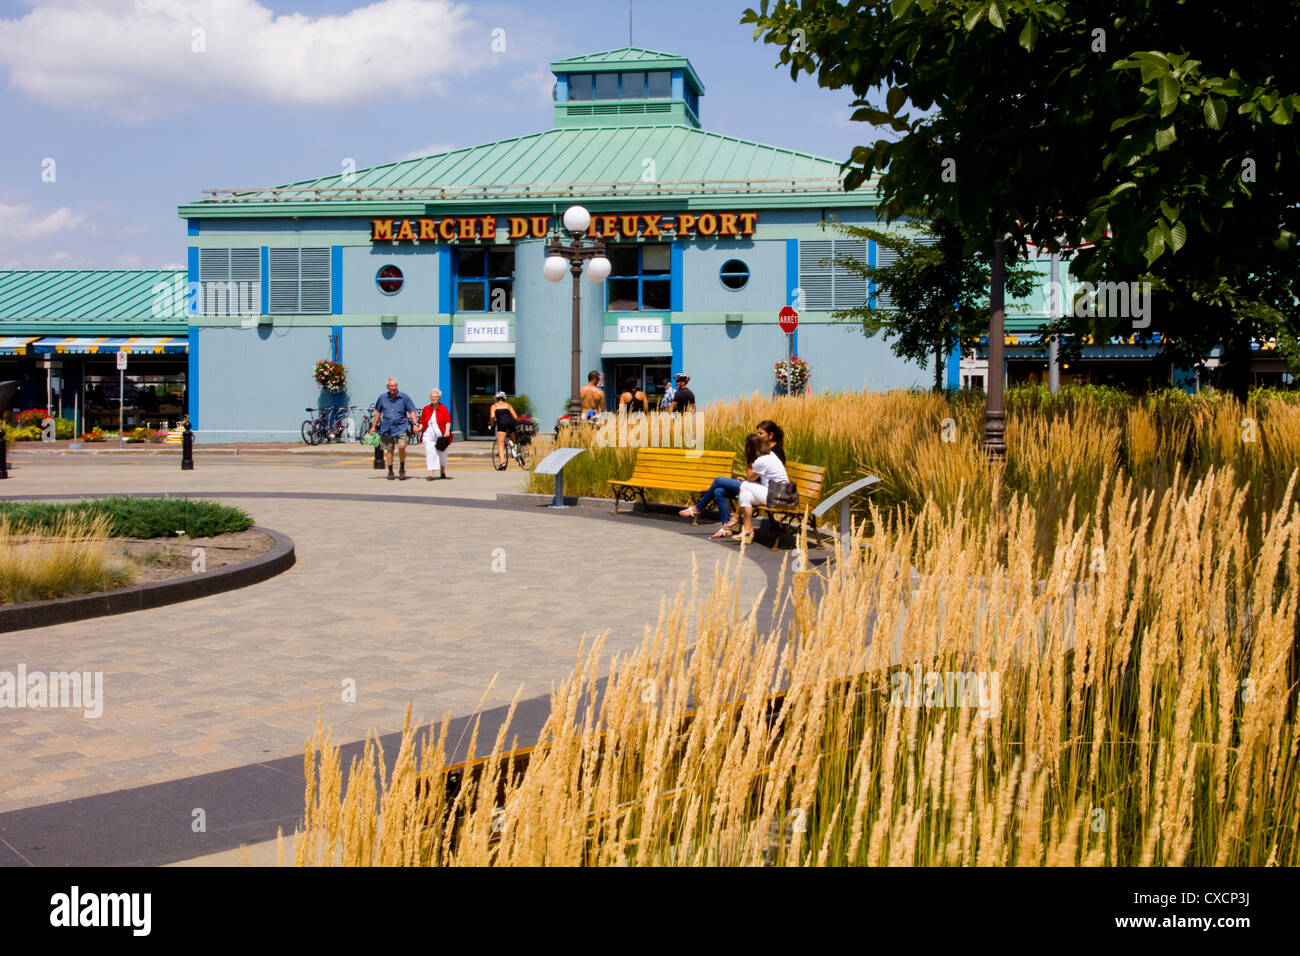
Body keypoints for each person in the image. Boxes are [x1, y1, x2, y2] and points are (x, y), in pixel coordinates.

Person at [678, 433, 764, 539]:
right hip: (750, 486)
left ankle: (697, 508)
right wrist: (746, 479)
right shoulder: (758, 457)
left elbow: (754, 478)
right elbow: (754, 477)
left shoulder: (763, 457)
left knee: (719, 480)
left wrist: (748, 472)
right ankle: (725, 528)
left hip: (755, 490)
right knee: (718, 491)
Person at [735, 432, 789, 543]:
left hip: (776, 495)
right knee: (746, 495)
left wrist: (749, 461)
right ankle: (748, 529)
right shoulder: (771, 455)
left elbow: (750, 478)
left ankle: (736, 517)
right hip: (780, 493)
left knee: (744, 485)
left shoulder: (761, 460)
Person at [369, 377, 418, 480]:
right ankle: (390, 470)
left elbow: (412, 411)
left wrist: (415, 424)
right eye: (391, 386)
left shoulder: (404, 397)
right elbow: (378, 412)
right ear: (388, 387)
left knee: (401, 447)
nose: (393, 388)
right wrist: (373, 426)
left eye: (395, 386)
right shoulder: (382, 398)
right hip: (387, 427)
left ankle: (402, 468)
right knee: (389, 450)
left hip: (401, 426)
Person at [418, 388, 453, 480]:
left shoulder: (443, 408)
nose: (433, 398)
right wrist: (419, 428)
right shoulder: (426, 408)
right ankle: (431, 473)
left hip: (441, 434)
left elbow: (448, 421)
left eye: (435, 397)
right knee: (430, 452)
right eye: (432, 396)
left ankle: (442, 470)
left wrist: (447, 431)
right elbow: (422, 420)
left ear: (439, 398)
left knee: (442, 454)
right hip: (428, 434)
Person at [490, 391, 517, 470]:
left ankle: (502, 463)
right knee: (513, 439)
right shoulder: (508, 405)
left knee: (500, 444)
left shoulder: (494, 406)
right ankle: (514, 449)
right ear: (505, 398)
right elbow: (515, 416)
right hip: (511, 424)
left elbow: (492, 416)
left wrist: (491, 424)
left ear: (497, 398)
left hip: (501, 425)